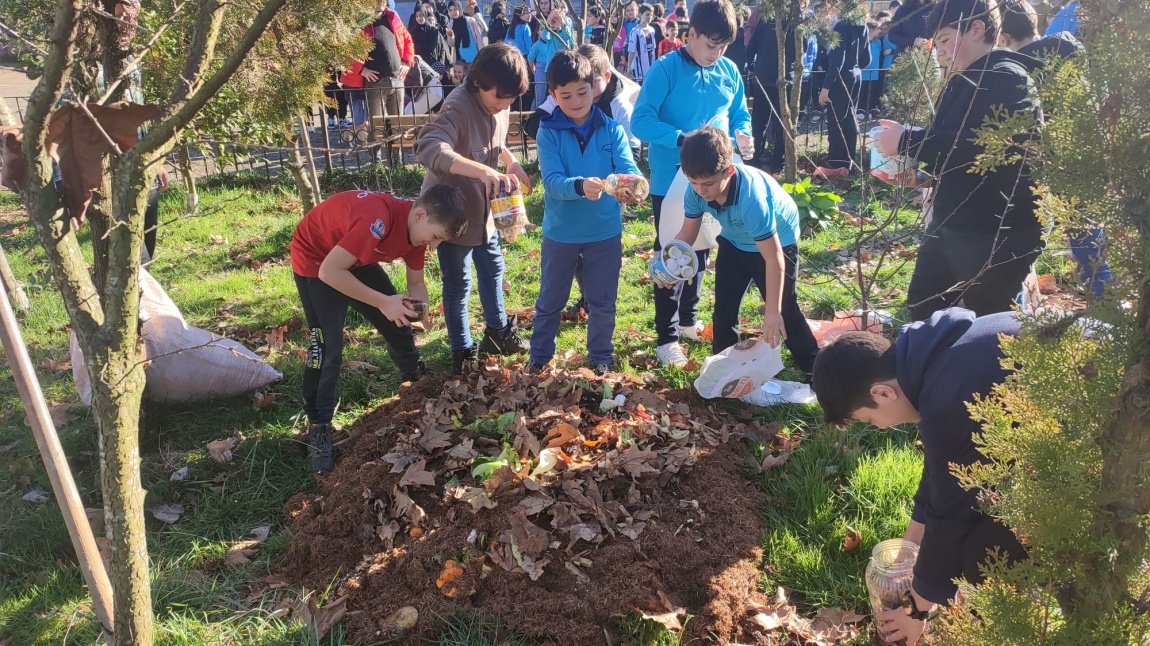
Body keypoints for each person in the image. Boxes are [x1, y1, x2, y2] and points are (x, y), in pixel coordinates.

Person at [811, 308, 1029, 645]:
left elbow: (954, 513)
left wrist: (916, 608)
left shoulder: (948, 399)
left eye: (870, 420)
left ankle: (988, 629)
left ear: (882, 393)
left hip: (1116, 435)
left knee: (982, 547)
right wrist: (909, 548)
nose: (880, 427)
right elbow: (944, 470)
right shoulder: (935, 357)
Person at [873, 0, 1045, 322]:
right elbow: (958, 150)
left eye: (944, 40)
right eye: (935, 43)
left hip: (996, 231)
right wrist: (923, 177)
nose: (937, 51)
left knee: (989, 321)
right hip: (953, 224)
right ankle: (934, 368)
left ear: (976, 30)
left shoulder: (1008, 78)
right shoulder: (961, 80)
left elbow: (990, 150)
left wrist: (906, 140)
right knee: (925, 309)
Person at [291, 185, 469, 473]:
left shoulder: (416, 230)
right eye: (435, 237)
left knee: (397, 321)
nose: (433, 246)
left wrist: (419, 306)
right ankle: (318, 425)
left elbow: (415, 283)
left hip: (355, 257)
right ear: (421, 214)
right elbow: (330, 272)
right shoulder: (378, 220)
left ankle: (415, 379)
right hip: (318, 261)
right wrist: (384, 302)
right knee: (327, 348)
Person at [632, 0, 753, 368]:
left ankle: (688, 321)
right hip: (671, 180)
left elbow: (740, 114)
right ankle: (666, 337)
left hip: (716, 181)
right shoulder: (665, 70)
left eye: (723, 46)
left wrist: (744, 135)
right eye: (711, 44)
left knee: (702, 249)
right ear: (692, 34)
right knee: (673, 251)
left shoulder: (729, 71)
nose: (717, 53)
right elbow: (640, 121)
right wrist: (682, 140)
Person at [414, 42, 534, 374]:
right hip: (452, 215)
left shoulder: (499, 103)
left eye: (511, 100)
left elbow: (495, 143)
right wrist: (481, 170)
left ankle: (497, 331)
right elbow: (429, 145)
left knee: (493, 268)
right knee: (458, 282)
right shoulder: (457, 105)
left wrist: (511, 162)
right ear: (479, 83)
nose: (505, 105)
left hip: (487, 212)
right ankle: (463, 350)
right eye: (501, 98)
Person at [528, 50, 643, 375]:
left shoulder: (612, 130)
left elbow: (626, 167)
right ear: (553, 95)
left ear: (595, 87)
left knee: (603, 302)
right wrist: (580, 186)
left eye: (582, 92)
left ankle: (601, 358)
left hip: (604, 233)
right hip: (561, 234)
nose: (576, 100)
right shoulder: (548, 132)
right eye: (565, 95)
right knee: (550, 302)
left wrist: (633, 183)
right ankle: (538, 359)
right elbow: (551, 183)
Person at [668, 127, 818, 376]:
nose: (700, 191)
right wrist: (667, 263)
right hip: (735, 239)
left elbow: (773, 257)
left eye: (707, 184)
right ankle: (724, 368)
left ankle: (814, 368)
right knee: (724, 309)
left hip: (778, 241)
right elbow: (687, 235)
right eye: (693, 183)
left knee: (785, 311)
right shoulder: (695, 189)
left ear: (729, 170)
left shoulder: (752, 200)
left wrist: (772, 311)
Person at [998, 0, 1111, 298]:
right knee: (1090, 244)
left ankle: (1015, 320)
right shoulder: (1071, 48)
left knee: (1019, 249)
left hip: (1051, 169)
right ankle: (1108, 310)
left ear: (1003, 38)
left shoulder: (1019, 71)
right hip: (1087, 158)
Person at [817, 0, 870, 178]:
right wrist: (854, 68)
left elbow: (837, 61)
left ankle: (836, 163)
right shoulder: (862, 26)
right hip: (855, 75)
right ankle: (849, 161)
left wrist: (825, 87)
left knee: (837, 121)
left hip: (840, 79)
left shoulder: (842, 26)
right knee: (849, 119)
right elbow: (867, 58)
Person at [746, 0, 799, 173]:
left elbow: (751, 47)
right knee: (781, 123)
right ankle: (778, 163)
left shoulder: (767, 19)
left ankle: (754, 160)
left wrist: (752, 67)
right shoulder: (797, 20)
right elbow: (801, 49)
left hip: (763, 76)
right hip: (785, 78)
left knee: (759, 121)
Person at [363, 0, 415, 139]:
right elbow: (349, 49)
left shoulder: (393, 17)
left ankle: (396, 160)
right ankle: (376, 160)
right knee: (377, 125)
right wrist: (362, 70)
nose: (380, 2)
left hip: (397, 80)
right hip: (375, 83)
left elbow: (407, 40)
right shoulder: (361, 22)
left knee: (397, 124)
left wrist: (407, 62)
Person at [528, 7, 575, 110]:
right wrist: (549, 21)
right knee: (550, 93)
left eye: (556, 20)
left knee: (562, 91)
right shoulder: (550, 32)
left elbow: (568, 36)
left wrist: (561, 23)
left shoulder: (565, 27)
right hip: (551, 65)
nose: (555, 22)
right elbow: (545, 37)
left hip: (564, 64)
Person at [861, 14, 894, 112]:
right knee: (862, 94)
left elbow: (880, 54)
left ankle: (871, 110)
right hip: (863, 74)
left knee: (872, 94)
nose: (881, 31)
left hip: (874, 74)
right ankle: (860, 111)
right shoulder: (863, 41)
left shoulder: (879, 42)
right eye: (879, 29)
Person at [627, 3, 659, 81]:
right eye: (647, 15)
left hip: (651, 68)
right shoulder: (635, 31)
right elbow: (631, 51)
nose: (649, 17)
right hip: (640, 69)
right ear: (640, 14)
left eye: (651, 15)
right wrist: (629, 67)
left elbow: (653, 49)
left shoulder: (652, 30)